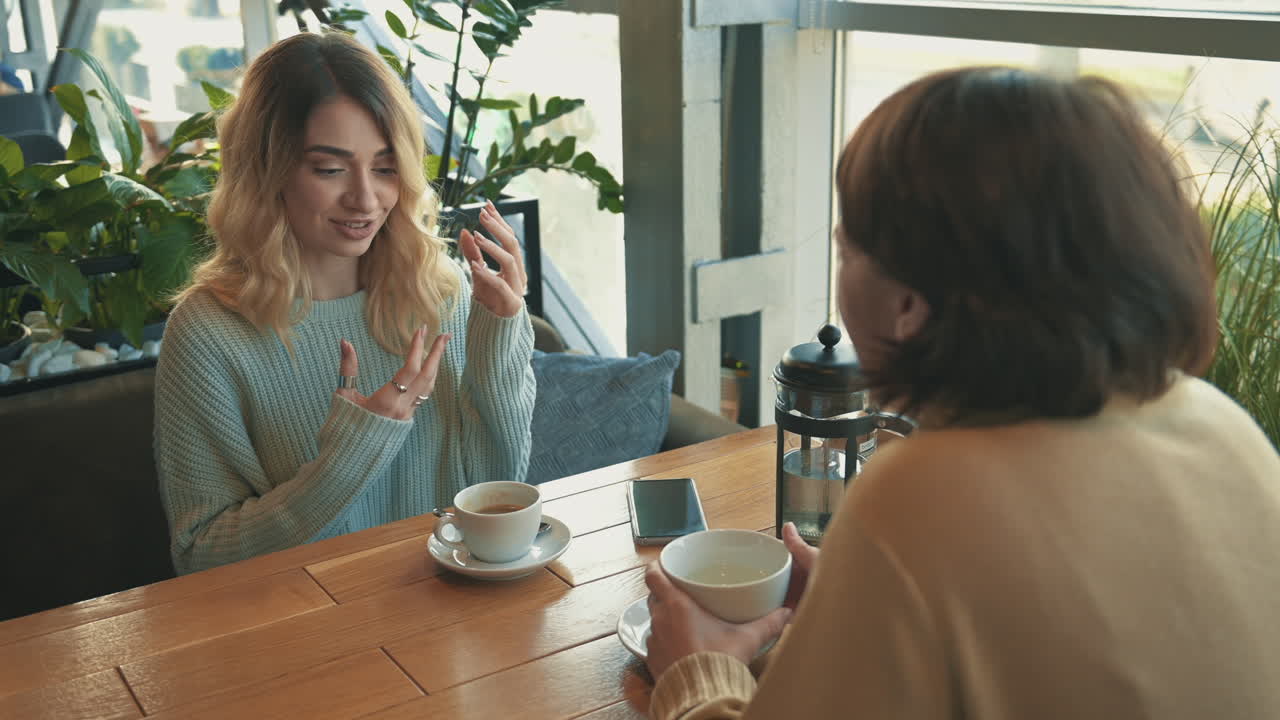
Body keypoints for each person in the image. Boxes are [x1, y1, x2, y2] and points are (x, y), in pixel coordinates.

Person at [643, 67, 1280, 719]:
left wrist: (697, 673)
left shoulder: (919, 491)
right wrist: (855, 598)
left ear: (909, 303)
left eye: (845, 251)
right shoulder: (1228, 430)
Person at [154, 31, 536, 575]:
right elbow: (202, 557)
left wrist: (501, 337)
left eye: (385, 167)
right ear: (267, 172)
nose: (365, 198)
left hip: (456, 608)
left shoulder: (438, 290)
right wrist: (351, 453)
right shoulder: (209, 333)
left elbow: (496, 488)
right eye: (330, 169)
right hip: (313, 630)